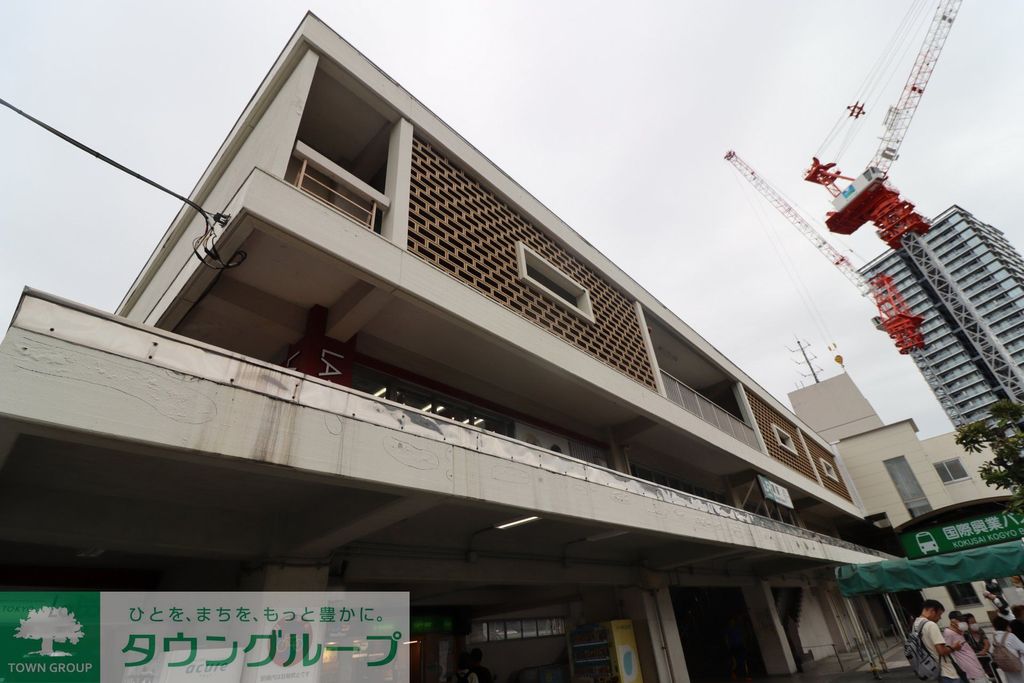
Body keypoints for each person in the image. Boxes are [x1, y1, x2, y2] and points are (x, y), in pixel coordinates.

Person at [913, 599, 962, 683]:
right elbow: (941, 651)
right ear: (932, 611)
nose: (940, 618)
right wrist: (954, 647)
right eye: (939, 614)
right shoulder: (931, 625)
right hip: (946, 671)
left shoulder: (915, 625)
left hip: (933, 669)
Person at [945, 611, 988, 683]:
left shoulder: (960, 631)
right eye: (960, 620)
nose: (962, 622)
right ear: (953, 620)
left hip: (973, 660)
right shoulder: (948, 632)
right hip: (967, 664)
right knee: (978, 679)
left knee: (982, 677)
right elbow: (947, 650)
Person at [992, 617, 1024, 683]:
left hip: (1006, 665)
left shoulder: (995, 637)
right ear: (1007, 626)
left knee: (1011, 680)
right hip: (1017, 663)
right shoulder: (1010, 636)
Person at [962, 613, 994, 678]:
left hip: (986, 657)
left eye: (975, 621)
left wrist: (984, 650)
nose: (975, 624)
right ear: (967, 624)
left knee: (993, 674)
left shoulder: (979, 630)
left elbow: (987, 643)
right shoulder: (965, 634)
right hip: (975, 659)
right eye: (972, 622)